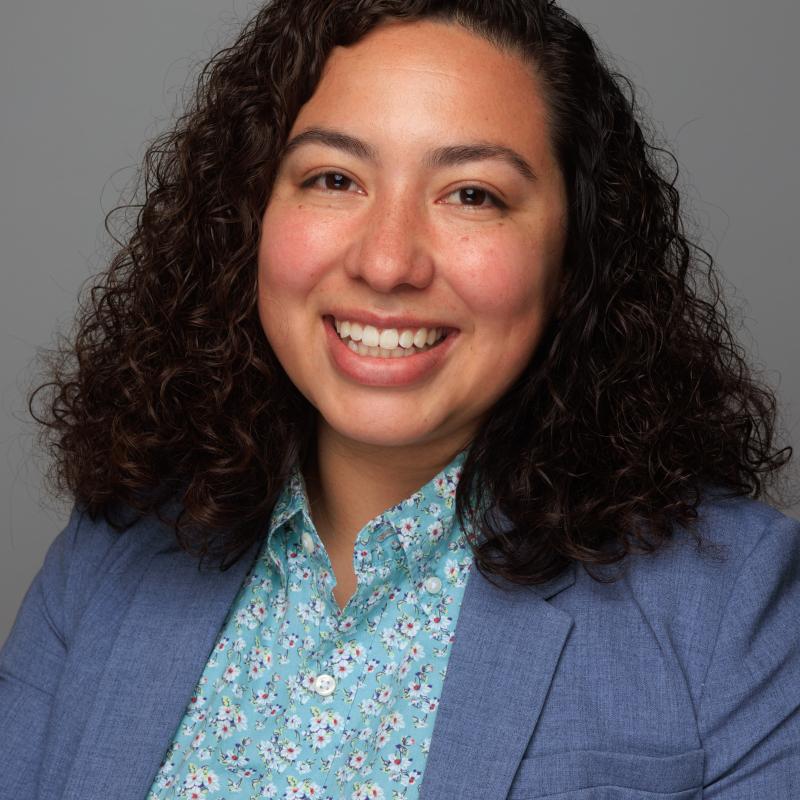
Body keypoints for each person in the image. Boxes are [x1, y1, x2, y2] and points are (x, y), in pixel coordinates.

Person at [1, 0, 798, 797]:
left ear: (574, 255)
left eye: (472, 195)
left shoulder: (732, 610)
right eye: (334, 179)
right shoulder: (109, 555)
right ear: (247, 218)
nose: (387, 263)